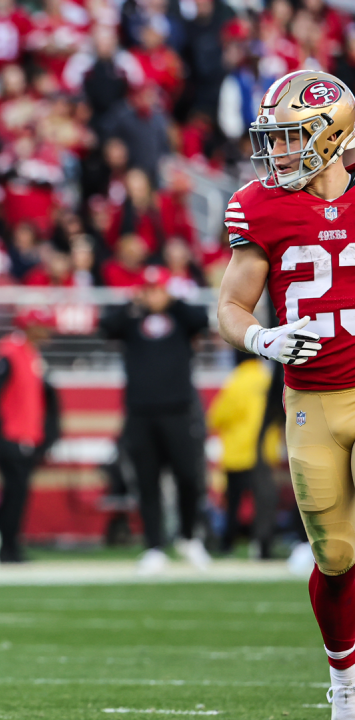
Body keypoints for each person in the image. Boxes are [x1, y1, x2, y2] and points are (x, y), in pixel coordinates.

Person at [215, 69, 355, 715]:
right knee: (335, 559)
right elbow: (232, 304)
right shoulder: (261, 204)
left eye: (294, 137)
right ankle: (345, 683)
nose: (280, 153)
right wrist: (261, 341)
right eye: (274, 139)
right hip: (310, 401)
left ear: (332, 134)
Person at [100, 265, 210, 576]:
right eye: (147, 290)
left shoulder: (180, 317)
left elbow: (200, 320)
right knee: (146, 482)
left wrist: (172, 302)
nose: (153, 295)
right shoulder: (131, 320)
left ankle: (189, 537)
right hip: (140, 413)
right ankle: (154, 546)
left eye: (158, 289)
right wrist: (132, 304)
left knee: (188, 477)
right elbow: (105, 326)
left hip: (178, 410)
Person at [0, 307, 60, 564]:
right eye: (44, 326)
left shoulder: (30, 353)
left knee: (17, 495)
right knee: (13, 494)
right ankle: (5, 548)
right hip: (10, 435)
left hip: (26, 435)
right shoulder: (9, 352)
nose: (49, 331)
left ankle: (6, 546)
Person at [208, 351, 273, 556]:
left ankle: (228, 544)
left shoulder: (236, 382)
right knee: (264, 503)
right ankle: (262, 545)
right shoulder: (267, 379)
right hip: (263, 453)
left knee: (233, 503)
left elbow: (216, 417)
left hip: (238, 453)